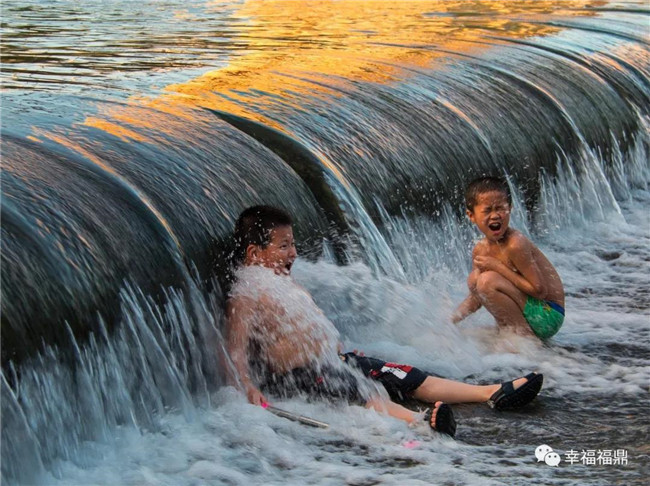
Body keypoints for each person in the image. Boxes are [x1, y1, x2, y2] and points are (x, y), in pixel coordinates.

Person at [225, 205, 544, 438]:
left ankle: (489, 392)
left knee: (407, 376)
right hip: (301, 376)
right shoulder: (246, 295)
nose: (294, 252)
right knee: (364, 392)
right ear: (254, 253)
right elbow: (234, 350)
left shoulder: (286, 283)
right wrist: (248, 387)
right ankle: (419, 424)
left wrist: (339, 349)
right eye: (284, 246)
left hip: (335, 361)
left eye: (293, 244)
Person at [452, 177, 565, 339]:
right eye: (487, 210)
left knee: (487, 281)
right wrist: (450, 321)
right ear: (471, 215)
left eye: (500, 208)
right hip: (530, 310)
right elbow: (477, 298)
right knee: (475, 280)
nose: (495, 215)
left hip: (549, 314)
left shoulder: (515, 244)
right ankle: (510, 334)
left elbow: (539, 290)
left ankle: (525, 339)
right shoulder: (480, 250)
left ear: (510, 209)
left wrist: (497, 267)